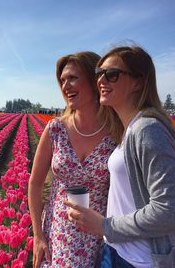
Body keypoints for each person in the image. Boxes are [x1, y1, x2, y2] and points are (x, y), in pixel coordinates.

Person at [65, 46, 175, 268]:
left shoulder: (147, 129)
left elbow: (168, 210)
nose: (101, 80)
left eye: (112, 74)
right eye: (99, 73)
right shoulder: (127, 129)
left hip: (139, 260)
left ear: (138, 81)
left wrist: (105, 226)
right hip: (116, 250)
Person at [28, 51, 118, 267]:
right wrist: (38, 236)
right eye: (62, 80)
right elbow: (35, 182)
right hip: (58, 232)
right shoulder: (55, 129)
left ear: (94, 79)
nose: (65, 85)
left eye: (73, 78)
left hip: (99, 236)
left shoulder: (117, 132)